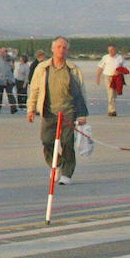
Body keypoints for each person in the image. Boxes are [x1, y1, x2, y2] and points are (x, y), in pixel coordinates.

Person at [27, 37, 90, 185]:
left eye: (64, 47)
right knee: (46, 141)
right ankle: (57, 163)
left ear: (68, 50)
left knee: (67, 143)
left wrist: (82, 114)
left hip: (68, 112)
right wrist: (31, 109)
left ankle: (67, 173)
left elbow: (81, 93)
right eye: (59, 47)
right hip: (48, 112)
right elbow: (34, 90)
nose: (61, 50)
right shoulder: (42, 68)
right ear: (53, 49)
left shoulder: (73, 69)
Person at [96, 45, 123, 117]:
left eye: (112, 50)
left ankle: (111, 109)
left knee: (115, 94)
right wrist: (98, 77)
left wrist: (119, 72)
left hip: (117, 78)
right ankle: (112, 110)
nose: (110, 51)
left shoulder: (119, 57)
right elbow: (100, 67)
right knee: (110, 93)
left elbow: (123, 68)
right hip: (108, 77)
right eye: (109, 50)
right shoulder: (105, 57)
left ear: (115, 50)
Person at [0, 48, 17, 114]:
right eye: (1, 52)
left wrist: (12, 64)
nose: (2, 53)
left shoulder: (10, 59)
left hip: (9, 80)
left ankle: (13, 109)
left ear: (6, 52)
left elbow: (13, 68)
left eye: (3, 52)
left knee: (10, 95)